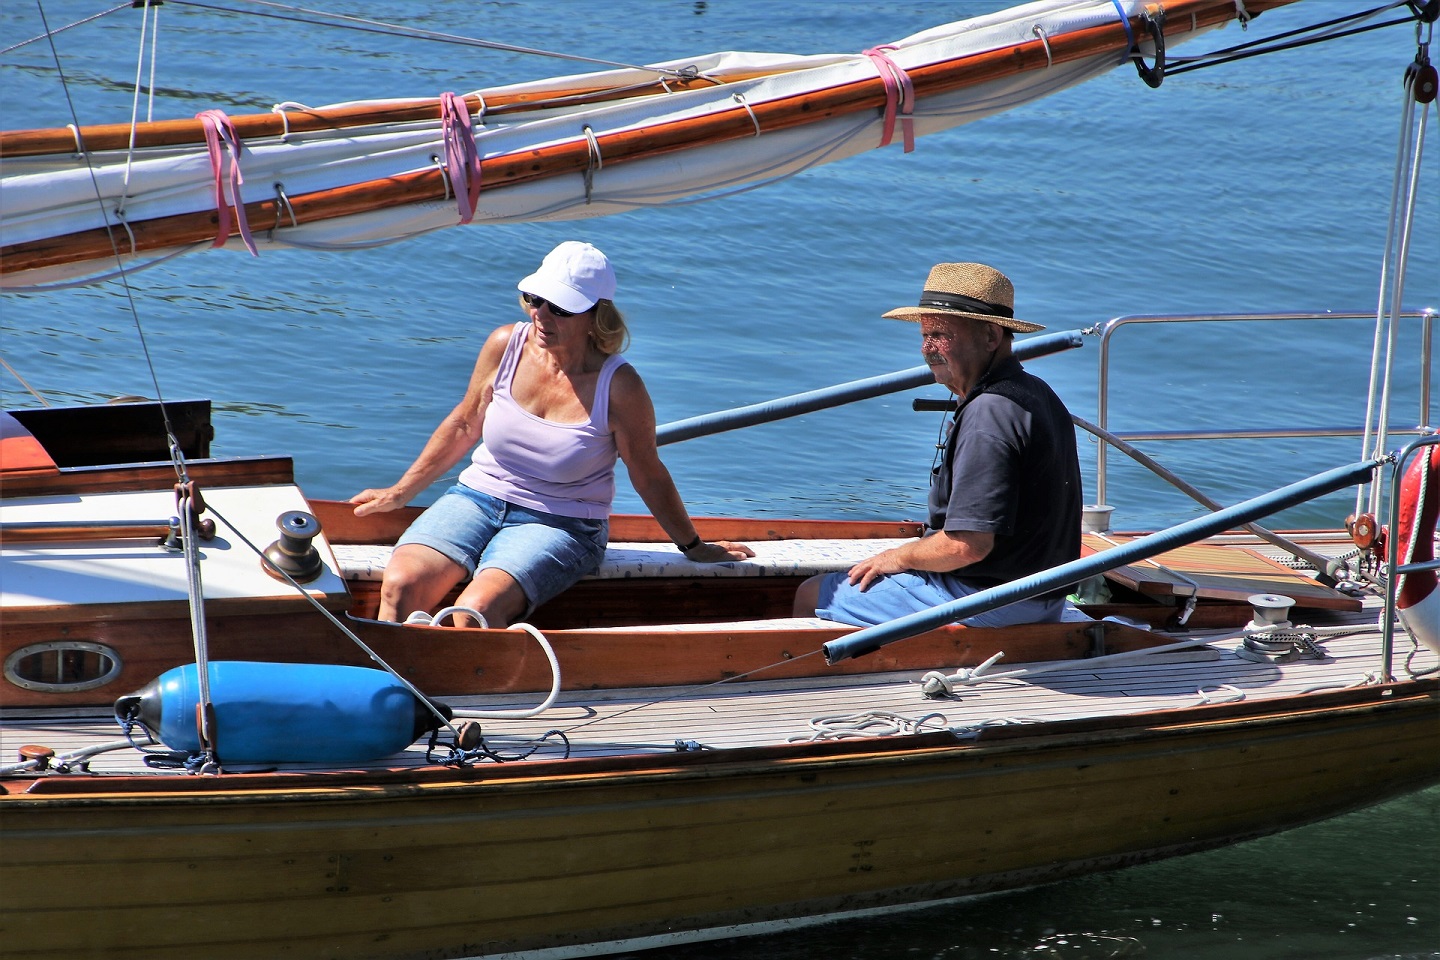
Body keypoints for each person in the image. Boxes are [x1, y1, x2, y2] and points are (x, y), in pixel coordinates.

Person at [351, 241, 753, 628]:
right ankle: (395, 688)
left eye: (559, 307)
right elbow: (464, 421)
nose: (541, 314)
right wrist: (400, 492)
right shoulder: (505, 344)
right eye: (534, 299)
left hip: (565, 522)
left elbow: (647, 472)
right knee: (401, 587)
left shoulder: (620, 387)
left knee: (474, 611)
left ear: (597, 314)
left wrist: (692, 546)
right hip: (477, 497)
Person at [794, 261, 1081, 627]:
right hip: (1041, 595)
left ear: (991, 337)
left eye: (941, 335)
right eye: (924, 335)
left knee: (812, 592)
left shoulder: (988, 416)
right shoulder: (1036, 391)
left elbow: (966, 546)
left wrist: (899, 557)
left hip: (992, 600)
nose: (928, 349)